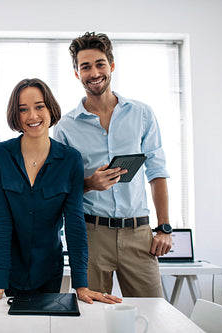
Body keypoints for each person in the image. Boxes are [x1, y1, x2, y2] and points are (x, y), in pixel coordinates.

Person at [53, 32, 173, 297]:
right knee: (93, 318)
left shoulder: (142, 113)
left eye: (99, 64)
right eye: (85, 66)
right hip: (91, 235)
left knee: (153, 313)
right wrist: (89, 184)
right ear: (76, 73)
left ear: (111, 66)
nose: (94, 72)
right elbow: (59, 187)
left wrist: (164, 227)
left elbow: (157, 172)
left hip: (139, 234)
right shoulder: (65, 127)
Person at [0, 78, 121, 304]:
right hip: (11, 271)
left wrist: (81, 285)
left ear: (50, 109)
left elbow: (74, 223)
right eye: (23, 109)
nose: (32, 116)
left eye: (39, 107)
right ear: (15, 115)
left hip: (50, 270)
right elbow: (0, 224)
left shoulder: (70, 159)